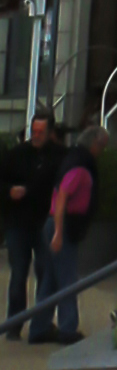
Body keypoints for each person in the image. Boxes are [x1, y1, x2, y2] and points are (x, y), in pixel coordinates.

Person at [38, 129, 96, 346]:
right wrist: (59, 233)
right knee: (67, 279)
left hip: (57, 223)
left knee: (51, 280)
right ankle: (67, 329)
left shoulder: (72, 161)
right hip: (62, 225)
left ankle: (40, 327)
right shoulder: (79, 167)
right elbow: (62, 196)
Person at [0, 114, 53, 340]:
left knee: (45, 272)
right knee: (19, 273)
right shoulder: (15, 156)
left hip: (42, 223)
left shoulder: (55, 157)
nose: (36, 135)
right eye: (34, 130)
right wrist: (9, 190)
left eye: (41, 131)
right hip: (17, 223)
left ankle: (40, 325)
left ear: (50, 133)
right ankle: (14, 324)